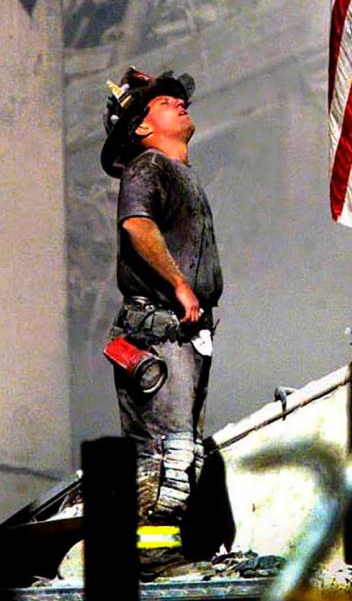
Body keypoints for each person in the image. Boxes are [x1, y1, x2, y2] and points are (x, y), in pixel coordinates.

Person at [100, 67, 223, 578]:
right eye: (165, 102)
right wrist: (177, 283)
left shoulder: (180, 172)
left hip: (184, 332)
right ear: (142, 128)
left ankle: (163, 551)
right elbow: (137, 225)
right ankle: (151, 558)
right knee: (164, 451)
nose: (179, 103)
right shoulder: (148, 165)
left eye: (178, 98)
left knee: (182, 448)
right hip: (158, 328)